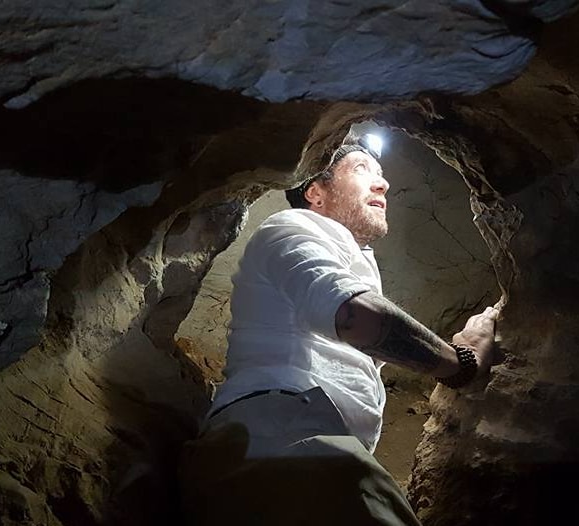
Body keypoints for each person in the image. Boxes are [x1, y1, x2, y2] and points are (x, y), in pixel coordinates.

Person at [179, 132, 500, 526]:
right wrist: (461, 362)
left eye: (381, 174)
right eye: (362, 168)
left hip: (304, 446)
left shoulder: (354, 258)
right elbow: (355, 317)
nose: (383, 183)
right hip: (280, 439)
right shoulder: (291, 226)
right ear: (315, 191)